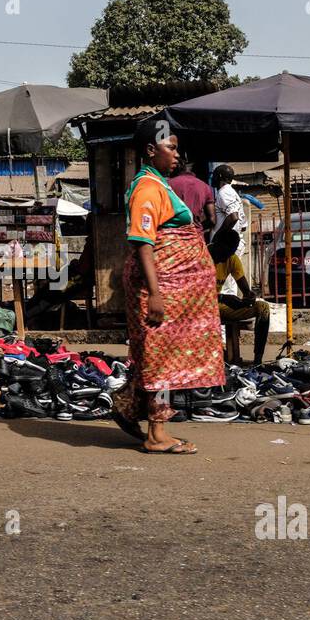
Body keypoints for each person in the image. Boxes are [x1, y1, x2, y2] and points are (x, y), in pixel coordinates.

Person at [112, 121, 224, 454]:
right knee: (161, 359)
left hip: (172, 286)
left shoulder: (161, 184)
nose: (176, 154)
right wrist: (157, 293)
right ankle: (156, 434)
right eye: (170, 147)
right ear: (151, 150)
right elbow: (143, 243)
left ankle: (129, 407)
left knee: (163, 356)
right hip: (159, 287)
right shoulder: (147, 188)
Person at [209, 224, 271, 367]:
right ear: (217, 244)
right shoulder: (202, 256)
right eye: (224, 253)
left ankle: (257, 360)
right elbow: (195, 294)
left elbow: (245, 289)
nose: (225, 258)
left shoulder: (231, 258)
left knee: (263, 308)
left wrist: (249, 296)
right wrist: (224, 298)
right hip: (202, 308)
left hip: (219, 306)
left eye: (229, 254)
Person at [167, 154, 216, 234]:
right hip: (196, 239)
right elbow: (212, 220)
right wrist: (197, 228)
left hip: (172, 237)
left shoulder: (167, 185)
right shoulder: (205, 187)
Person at [211, 164, 248, 258]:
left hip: (225, 247)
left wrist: (218, 237)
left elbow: (233, 217)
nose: (212, 178)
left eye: (214, 175)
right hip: (231, 245)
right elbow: (243, 226)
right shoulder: (232, 193)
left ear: (219, 176)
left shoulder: (224, 192)